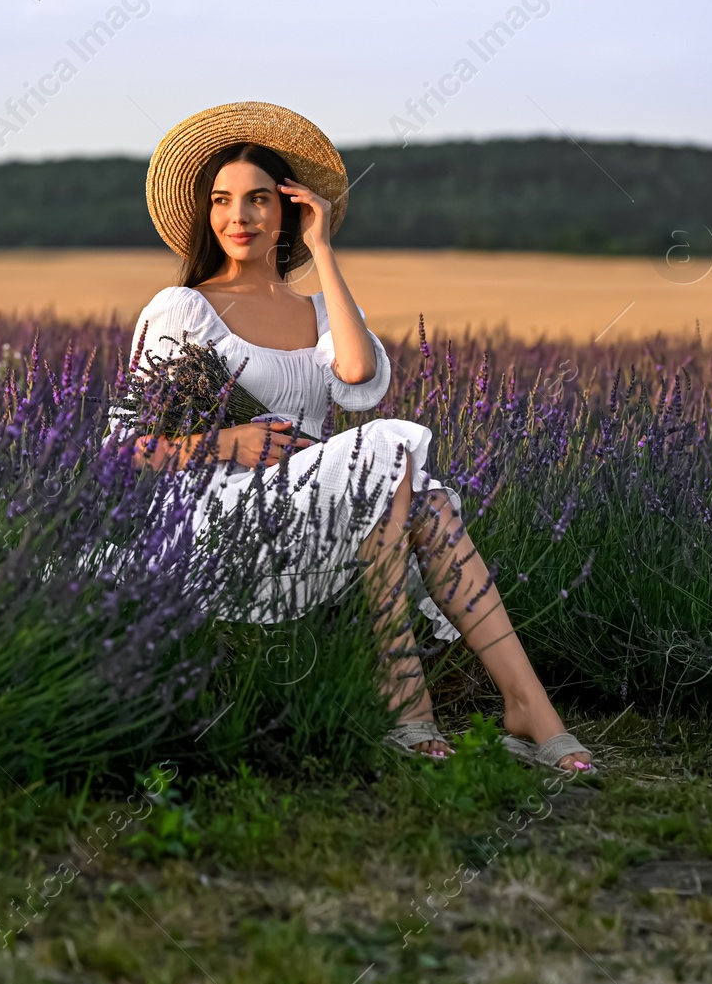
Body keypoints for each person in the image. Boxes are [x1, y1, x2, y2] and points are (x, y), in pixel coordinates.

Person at [105, 101, 595, 775]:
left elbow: (358, 375)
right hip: (221, 515)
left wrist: (323, 251)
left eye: (257, 200)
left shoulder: (317, 309)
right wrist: (232, 443)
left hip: (319, 500)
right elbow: (124, 448)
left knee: (429, 504)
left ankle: (527, 707)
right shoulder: (182, 308)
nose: (238, 217)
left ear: (288, 209)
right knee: (390, 451)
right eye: (221, 201)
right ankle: (403, 693)